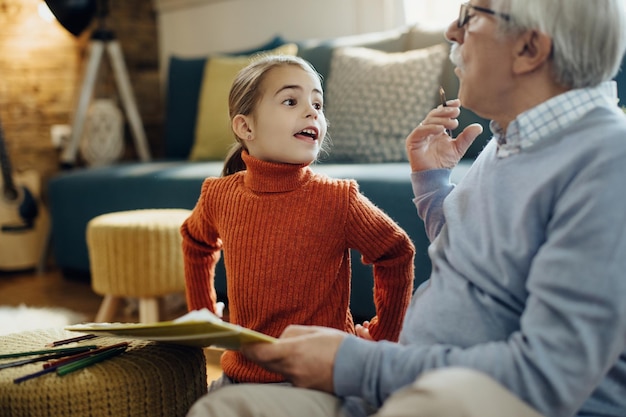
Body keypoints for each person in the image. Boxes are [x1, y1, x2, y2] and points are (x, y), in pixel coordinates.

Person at [185, 0, 626, 416]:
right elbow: (483, 256)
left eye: (470, 16)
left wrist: (359, 363)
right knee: (221, 408)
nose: (452, 30)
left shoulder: (607, 162)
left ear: (529, 48)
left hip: (465, 397)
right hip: (395, 383)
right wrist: (433, 184)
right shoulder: (512, 142)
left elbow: (547, 375)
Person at [180, 54, 415, 387]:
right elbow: (195, 240)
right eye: (291, 101)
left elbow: (396, 251)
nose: (312, 112)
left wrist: (384, 335)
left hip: (322, 377)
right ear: (246, 127)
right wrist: (202, 312)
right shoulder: (219, 195)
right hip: (239, 375)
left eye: (318, 104)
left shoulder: (338, 199)